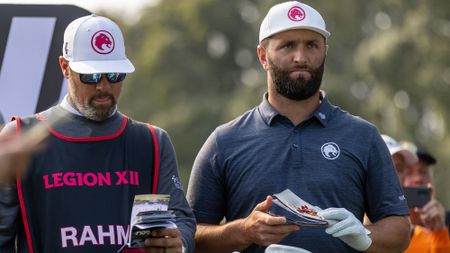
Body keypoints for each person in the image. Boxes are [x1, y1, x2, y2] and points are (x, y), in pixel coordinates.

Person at [187, 1, 410, 253]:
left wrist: (364, 234)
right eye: (287, 45)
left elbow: (400, 230)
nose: (301, 57)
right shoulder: (224, 141)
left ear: (325, 51)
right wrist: (243, 231)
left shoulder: (363, 136)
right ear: (263, 56)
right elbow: (191, 235)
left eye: (312, 45)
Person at [0, 14, 195, 253]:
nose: (103, 86)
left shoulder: (151, 142)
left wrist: (179, 243)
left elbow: (179, 219)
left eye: (114, 75)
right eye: (91, 76)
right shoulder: (23, 137)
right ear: (65, 67)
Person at [402, 148, 450, 252]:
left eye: (423, 172)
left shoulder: (447, 221)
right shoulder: (388, 228)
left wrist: (440, 232)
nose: (418, 179)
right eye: (408, 173)